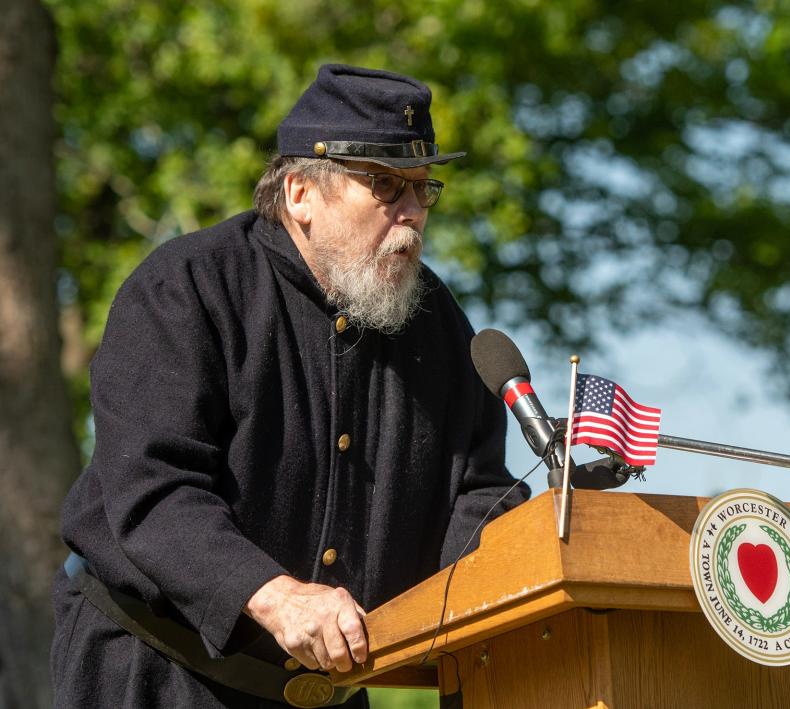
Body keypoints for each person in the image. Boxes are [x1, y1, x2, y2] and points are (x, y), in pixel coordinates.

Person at [51, 64, 530, 708]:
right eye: (386, 185)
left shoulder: (440, 327)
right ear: (301, 191)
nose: (413, 214)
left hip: (323, 691)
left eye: (423, 189)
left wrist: (542, 545)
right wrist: (275, 594)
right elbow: (155, 489)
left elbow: (473, 501)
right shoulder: (186, 288)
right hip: (150, 670)